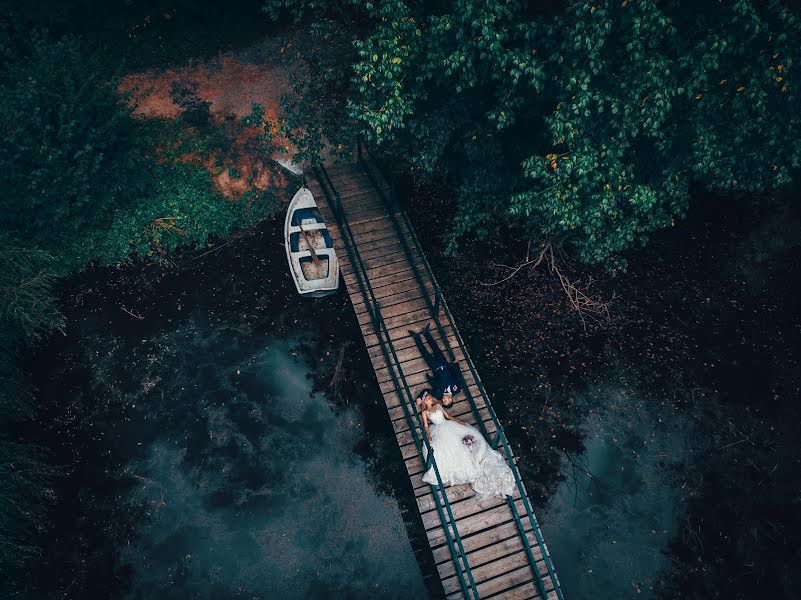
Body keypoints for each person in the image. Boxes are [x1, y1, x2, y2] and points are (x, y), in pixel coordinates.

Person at [419, 393, 515, 497]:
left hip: (447, 425)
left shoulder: (438, 406)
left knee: (464, 437)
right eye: (427, 399)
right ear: (424, 402)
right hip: (437, 429)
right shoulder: (425, 412)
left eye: (430, 398)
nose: (430, 400)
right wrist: (429, 435)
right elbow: (426, 426)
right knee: (446, 450)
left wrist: (459, 421)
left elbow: (448, 416)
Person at [409, 324, 461, 406]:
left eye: (443, 401)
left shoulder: (438, 395)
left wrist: (419, 397)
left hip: (434, 367)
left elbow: (427, 391)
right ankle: (426, 333)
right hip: (444, 364)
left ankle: (416, 337)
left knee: (424, 353)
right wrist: (456, 365)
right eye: (446, 400)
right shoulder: (456, 388)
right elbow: (458, 376)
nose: (443, 399)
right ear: (451, 399)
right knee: (435, 348)